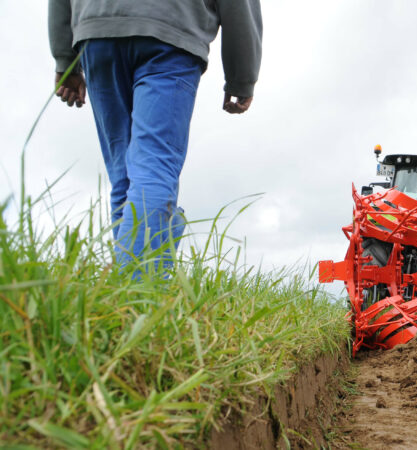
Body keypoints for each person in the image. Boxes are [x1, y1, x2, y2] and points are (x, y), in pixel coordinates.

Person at [48, 0, 262, 272]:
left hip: (98, 28)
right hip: (172, 32)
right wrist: (242, 75)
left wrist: (65, 58)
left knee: (125, 174)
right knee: (154, 166)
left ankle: (130, 286)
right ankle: (142, 298)